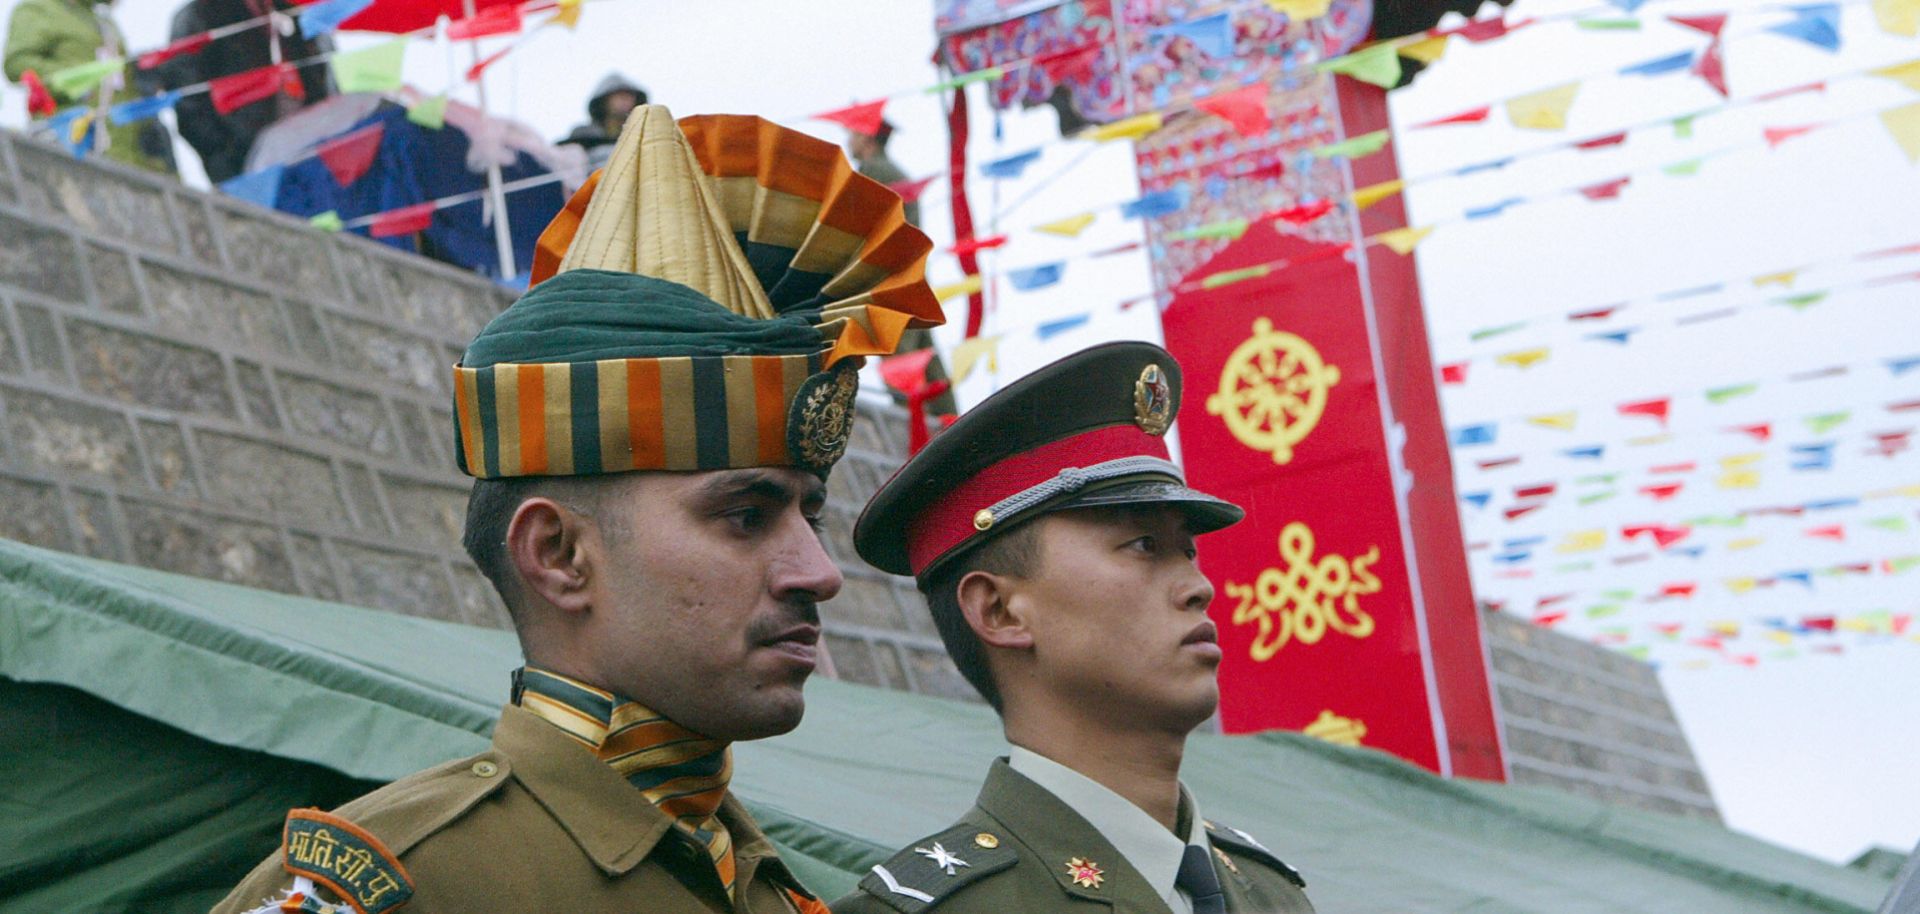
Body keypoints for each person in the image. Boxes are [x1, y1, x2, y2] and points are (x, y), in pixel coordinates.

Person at [209, 104, 942, 914]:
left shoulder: (777, 894)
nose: (819, 572)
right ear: (558, 555)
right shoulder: (405, 890)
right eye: (745, 515)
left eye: (814, 517)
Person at [833, 342, 1316, 914]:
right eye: (1143, 546)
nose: (1198, 586)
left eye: (1187, 550)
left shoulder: (1272, 895)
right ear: (999, 611)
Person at [158, 0, 333, 184]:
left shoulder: (298, 12)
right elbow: (188, 102)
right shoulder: (199, 15)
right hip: (246, 171)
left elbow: (325, 80)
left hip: (313, 160)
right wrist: (228, 160)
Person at [4, 0, 174, 174]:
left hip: (122, 150)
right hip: (70, 141)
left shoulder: (103, 21)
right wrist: (76, 83)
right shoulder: (38, 8)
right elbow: (17, 64)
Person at [558, 72, 646, 171]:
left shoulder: (644, 137)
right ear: (604, 101)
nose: (625, 100)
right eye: (619, 95)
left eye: (629, 96)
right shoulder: (583, 136)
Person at [846, 119, 916, 227]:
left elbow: (855, 214)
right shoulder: (896, 172)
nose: (849, 142)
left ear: (865, 138)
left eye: (854, 135)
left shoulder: (871, 169)